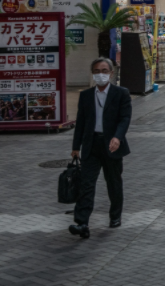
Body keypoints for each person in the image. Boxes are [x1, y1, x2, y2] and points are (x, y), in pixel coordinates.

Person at [69, 58, 132, 239]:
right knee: (86, 184)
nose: (100, 74)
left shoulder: (121, 93)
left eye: (104, 70)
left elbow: (125, 118)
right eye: (96, 71)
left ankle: (115, 216)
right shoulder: (86, 95)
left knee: (113, 182)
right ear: (92, 73)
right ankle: (82, 222)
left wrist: (117, 137)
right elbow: (80, 122)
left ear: (111, 73)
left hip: (112, 145)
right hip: (91, 145)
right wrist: (76, 146)